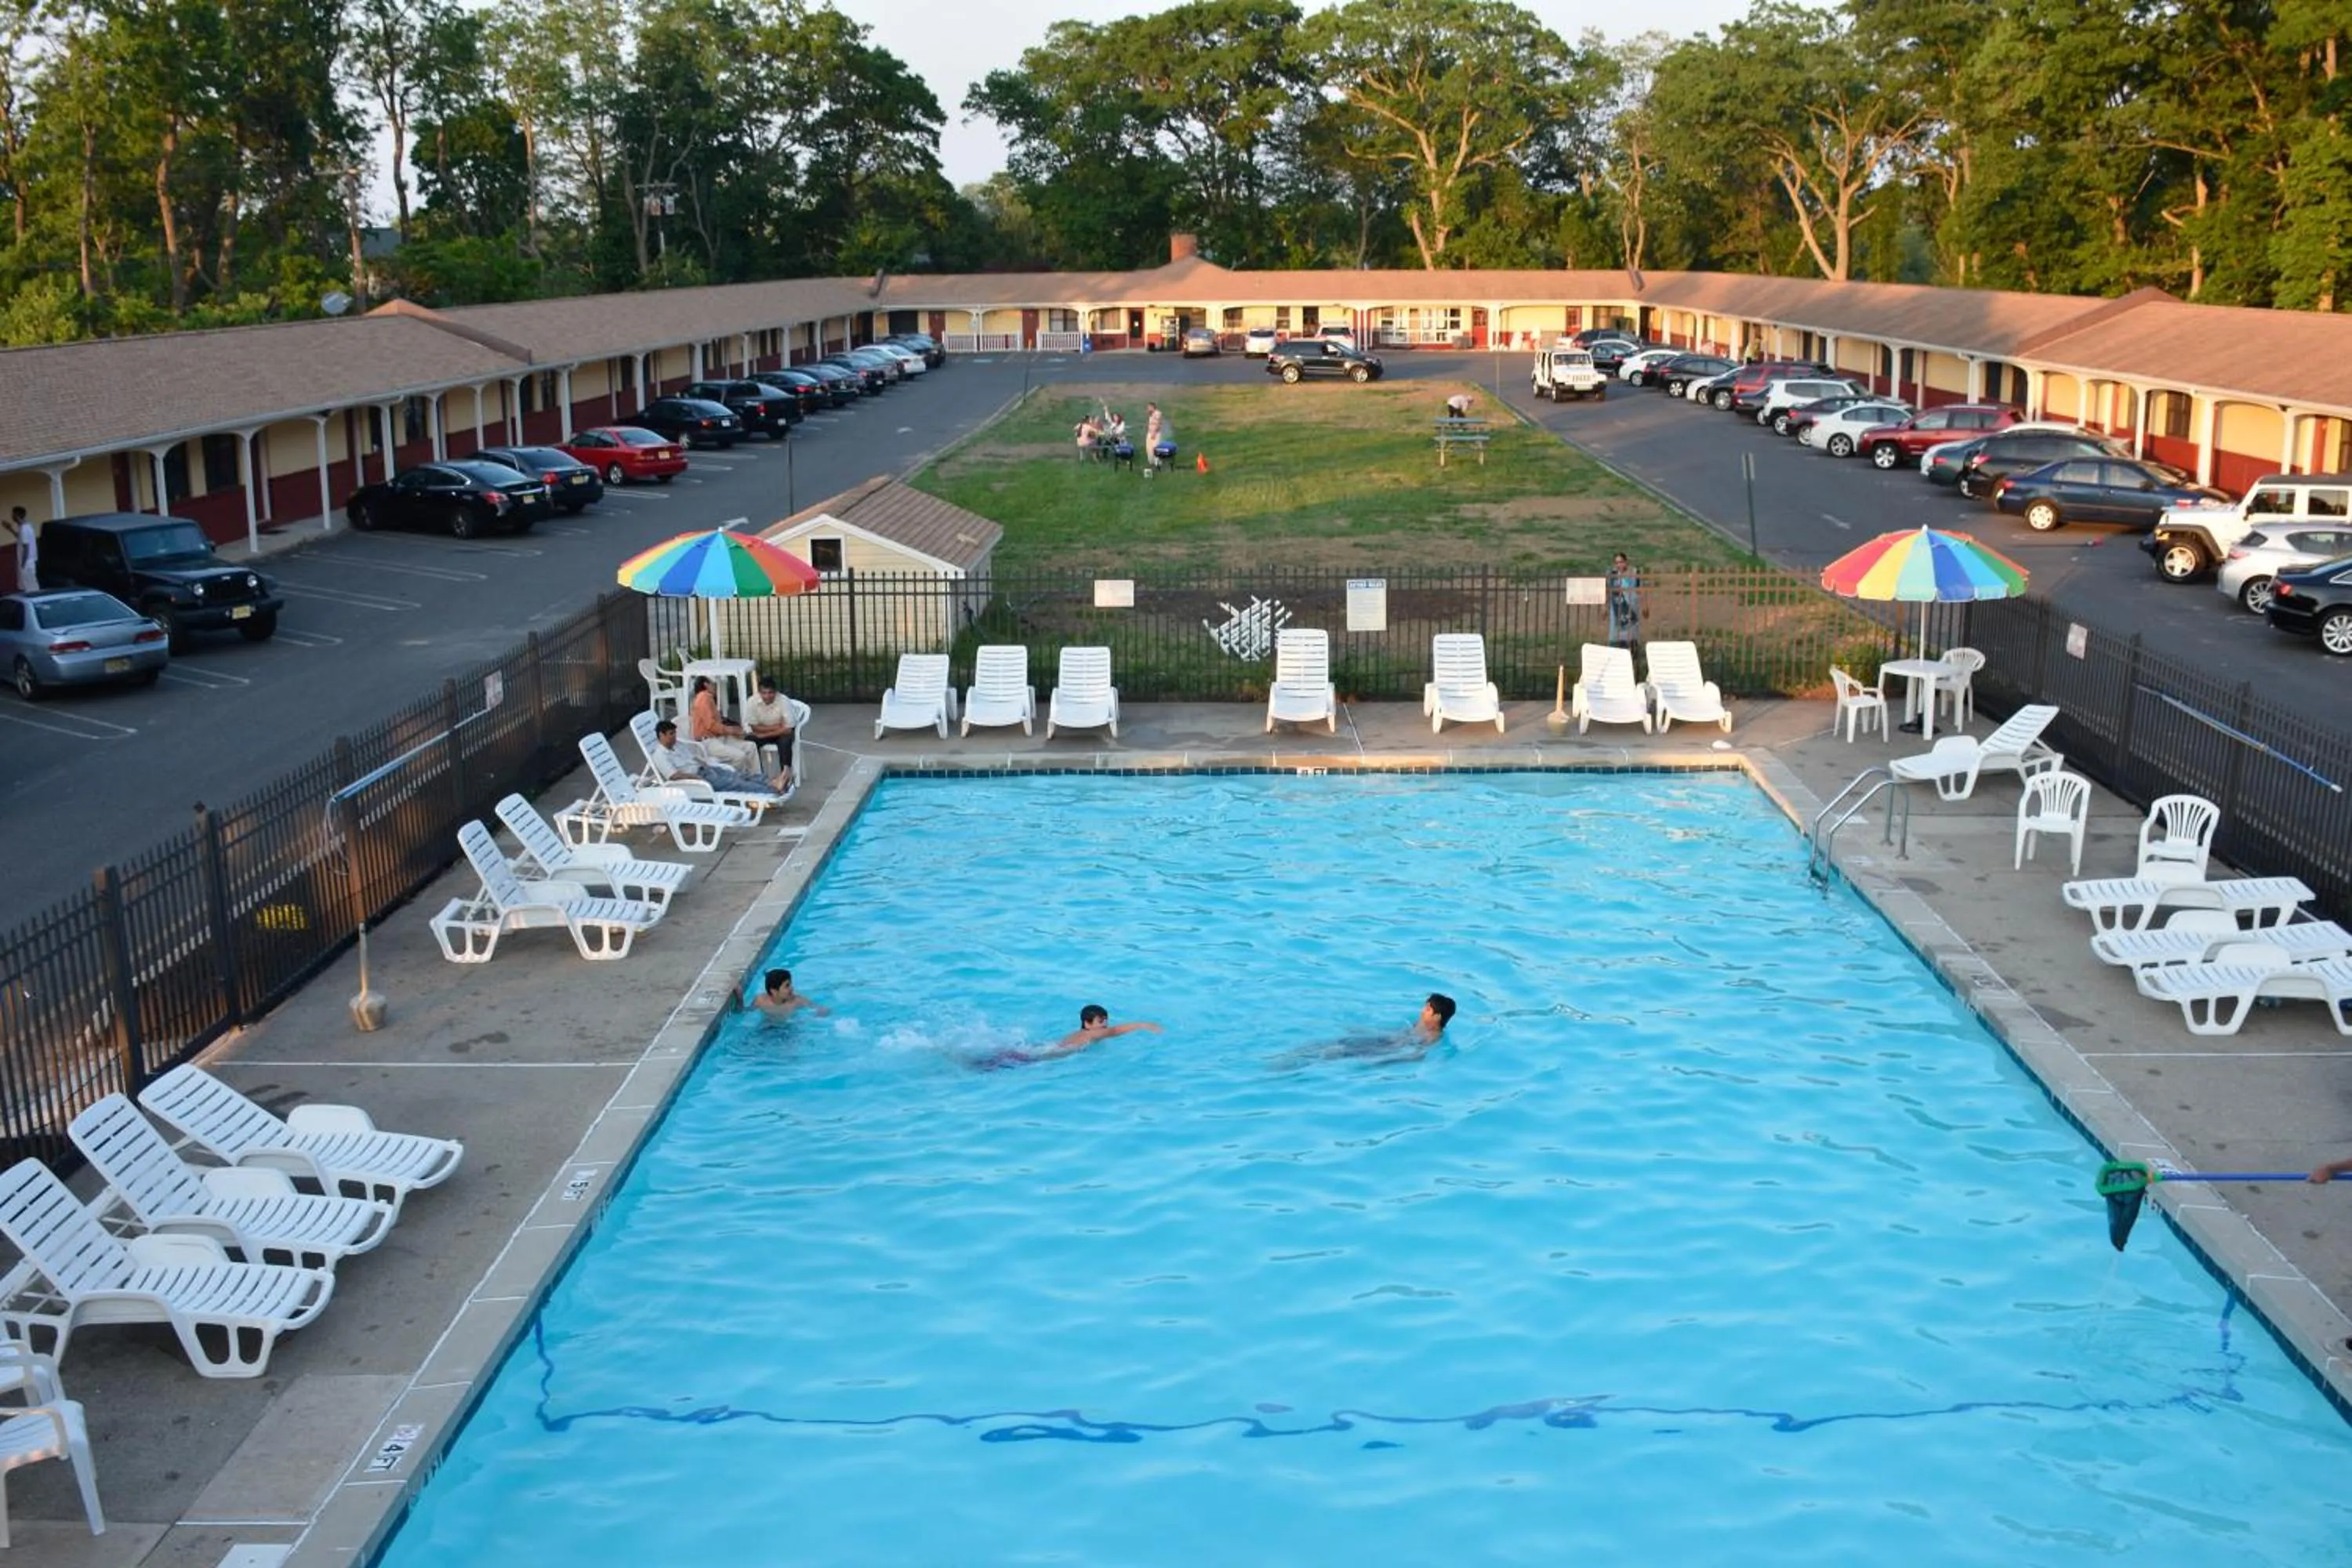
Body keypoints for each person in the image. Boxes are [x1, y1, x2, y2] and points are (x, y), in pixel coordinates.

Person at [971, 1005, 1165, 1071]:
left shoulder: (1079, 1034)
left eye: (1106, 1021)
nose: (1104, 1026)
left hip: (1043, 1050)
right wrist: (1143, 1025)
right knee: (996, 1067)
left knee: (999, 1061)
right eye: (1100, 1022)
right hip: (1041, 1057)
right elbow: (1114, 1032)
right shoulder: (1092, 1034)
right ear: (1087, 1023)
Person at [648, 717, 786, 796]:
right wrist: (695, 777)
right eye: (671, 734)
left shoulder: (677, 745)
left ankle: (772, 781)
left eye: (674, 733)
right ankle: (773, 790)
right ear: (661, 735)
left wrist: (706, 764)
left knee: (738, 775)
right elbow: (674, 776)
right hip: (696, 780)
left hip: (705, 771)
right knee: (736, 783)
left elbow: (692, 758)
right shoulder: (660, 755)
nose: (675, 737)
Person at [688, 677, 761, 771]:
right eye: (713, 684)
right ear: (706, 684)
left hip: (720, 738)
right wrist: (730, 730)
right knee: (739, 757)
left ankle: (757, 778)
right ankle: (738, 781)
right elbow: (710, 725)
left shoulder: (708, 698)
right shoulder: (704, 697)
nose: (715, 687)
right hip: (709, 742)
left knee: (751, 747)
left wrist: (733, 729)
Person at [742, 675, 797, 773]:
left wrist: (764, 734)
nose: (767, 696)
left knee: (785, 742)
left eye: (770, 693)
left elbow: (788, 729)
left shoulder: (784, 701)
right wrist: (777, 727)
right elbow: (754, 727)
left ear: (776, 692)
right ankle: (757, 775)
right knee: (749, 741)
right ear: (759, 692)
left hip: (781, 734)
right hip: (771, 730)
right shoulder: (752, 701)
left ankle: (785, 776)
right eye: (764, 693)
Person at [752, 967, 827, 1021]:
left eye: (791, 984)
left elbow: (821, 1009)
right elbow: (746, 1012)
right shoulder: (760, 1000)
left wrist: (819, 1014)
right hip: (765, 1029)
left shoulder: (797, 1001)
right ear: (774, 991)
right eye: (787, 986)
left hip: (788, 1031)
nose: (792, 988)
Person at [1606, 553, 1641, 652]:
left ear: (1626, 562)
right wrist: (1604, 608)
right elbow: (1608, 592)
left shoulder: (1634, 573)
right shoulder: (1612, 575)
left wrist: (1646, 605)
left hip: (1631, 608)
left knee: (1631, 635)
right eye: (1617, 563)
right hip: (1617, 609)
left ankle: (1633, 660)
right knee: (1615, 637)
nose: (1619, 565)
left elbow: (1641, 590)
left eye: (1621, 562)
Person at [5, 506, 34, 592]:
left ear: (17, 515)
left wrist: (23, 565)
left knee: (29, 588)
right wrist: (10, 529)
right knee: (27, 587)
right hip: (28, 563)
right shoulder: (26, 527)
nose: (12, 517)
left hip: (26, 564)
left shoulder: (24, 529)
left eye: (13, 514)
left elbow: (26, 548)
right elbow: (20, 538)